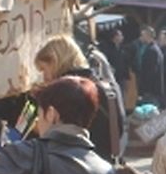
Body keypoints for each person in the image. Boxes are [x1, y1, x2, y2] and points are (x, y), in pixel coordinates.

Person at [34, 35, 125, 163]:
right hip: (107, 164)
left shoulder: (66, 92)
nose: (44, 77)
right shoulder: (107, 86)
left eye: (44, 69)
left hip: (77, 166)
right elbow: (119, 128)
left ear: (55, 61)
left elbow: (58, 138)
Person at [134, 26, 165, 106]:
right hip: (152, 89)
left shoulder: (152, 51)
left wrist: (144, 89)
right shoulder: (154, 48)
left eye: (143, 35)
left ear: (148, 36)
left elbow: (150, 72)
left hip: (151, 90)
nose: (141, 38)